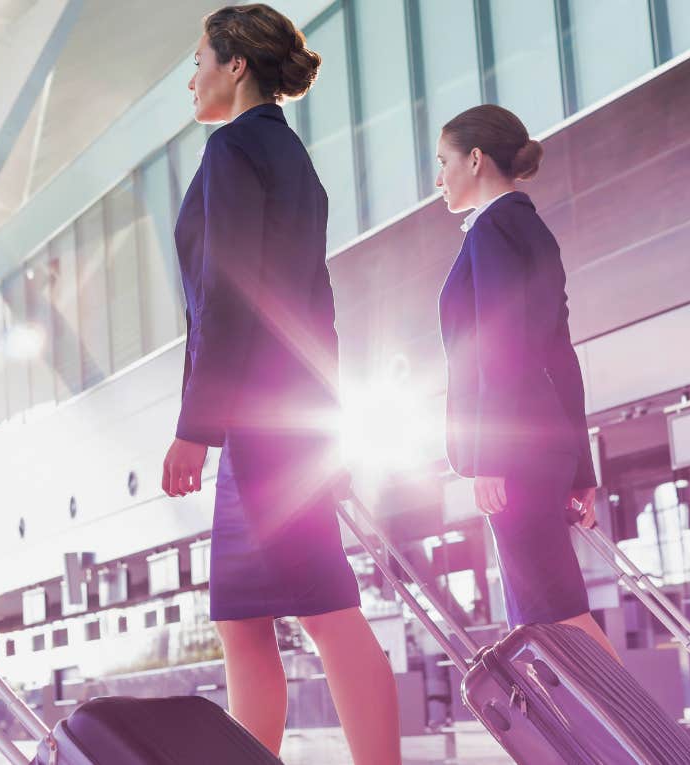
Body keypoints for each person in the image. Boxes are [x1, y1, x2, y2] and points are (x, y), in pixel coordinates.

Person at [161, 6, 401, 763]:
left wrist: (194, 424)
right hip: (283, 417)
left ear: (236, 65)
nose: (190, 75)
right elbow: (312, 306)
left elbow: (226, 297)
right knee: (242, 619)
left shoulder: (235, 150)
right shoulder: (288, 157)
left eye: (199, 58)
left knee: (327, 609)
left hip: (259, 423)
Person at [433, 104, 620, 660]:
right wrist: (580, 468)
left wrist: (490, 453)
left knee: (553, 614)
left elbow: (500, 350)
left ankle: (644, 741)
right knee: (545, 617)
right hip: (543, 449)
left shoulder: (492, 232)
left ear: (475, 158)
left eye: (443, 162)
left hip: (514, 454)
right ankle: (611, 741)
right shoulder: (530, 229)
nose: (438, 178)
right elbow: (561, 360)